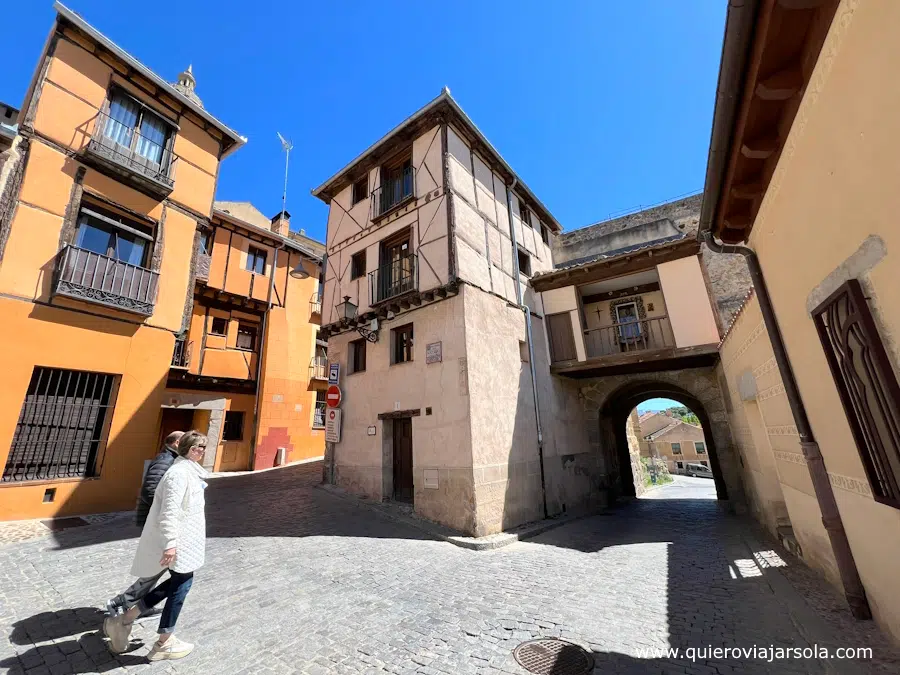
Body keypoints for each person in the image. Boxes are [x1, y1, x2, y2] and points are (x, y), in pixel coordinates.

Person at [104, 431, 209, 661]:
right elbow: (168, 511)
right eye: (197, 447)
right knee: (180, 584)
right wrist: (170, 544)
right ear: (185, 448)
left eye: (203, 447)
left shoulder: (188, 470)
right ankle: (164, 640)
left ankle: (127, 618)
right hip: (177, 541)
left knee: (178, 582)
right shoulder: (178, 474)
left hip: (186, 540)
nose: (201, 451)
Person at [106, 431, 184, 617]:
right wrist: (166, 513)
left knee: (161, 564)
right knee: (163, 564)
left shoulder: (171, 459)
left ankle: (135, 604)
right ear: (177, 442)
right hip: (158, 522)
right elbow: (149, 491)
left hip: (160, 521)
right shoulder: (165, 460)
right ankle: (124, 602)